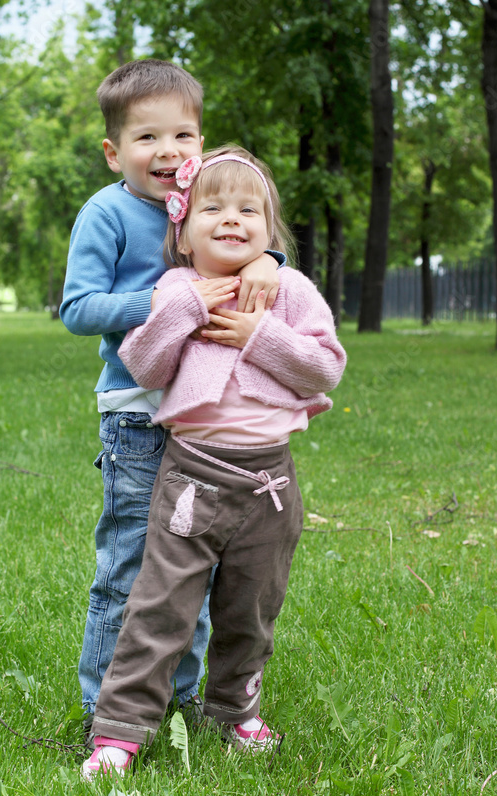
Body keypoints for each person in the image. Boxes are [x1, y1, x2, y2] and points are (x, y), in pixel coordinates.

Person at [80, 146, 347, 779]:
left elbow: (325, 367)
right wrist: (187, 308)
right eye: (213, 208)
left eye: (248, 210)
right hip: (192, 478)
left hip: (269, 482)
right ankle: (119, 731)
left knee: (251, 607)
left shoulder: (288, 290)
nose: (231, 218)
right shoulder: (176, 288)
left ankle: (234, 712)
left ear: (268, 228)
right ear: (183, 232)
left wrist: (261, 335)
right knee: (160, 605)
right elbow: (145, 366)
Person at [60, 60, 284, 736]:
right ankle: (106, 707)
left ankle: (176, 698)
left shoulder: (208, 202)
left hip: (209, 421)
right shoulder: (107, 213)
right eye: (147, 138)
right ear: (114, 151)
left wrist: (267, 263)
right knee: (134, 568)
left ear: (201, 142)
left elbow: (250, 240)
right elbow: (79, 308)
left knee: (195, 566)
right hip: (139, 416)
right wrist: (164, 302)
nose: (168, 152)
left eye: (183, 136)